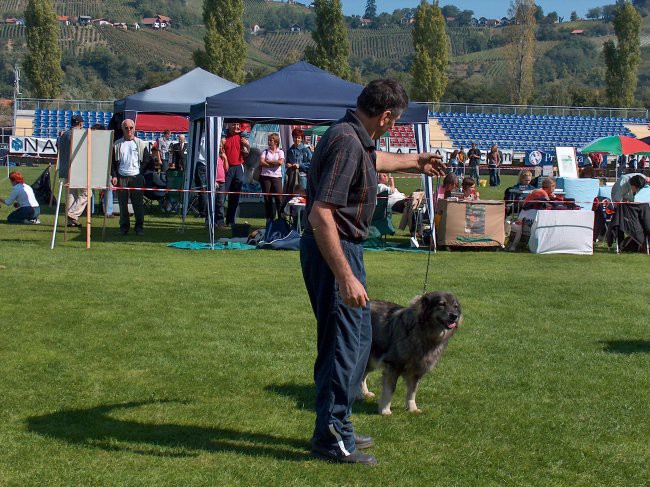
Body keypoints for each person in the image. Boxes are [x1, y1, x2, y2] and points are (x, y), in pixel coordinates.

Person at [300, 78, 445, 465]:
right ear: (384, 116)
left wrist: (416, 161)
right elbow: (320, 214)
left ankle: (340, 426)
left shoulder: (350, 136)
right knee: (344, 346)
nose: (392, 127)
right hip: (336, 251)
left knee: (359, 339)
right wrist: (345, 276)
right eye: (393, 122)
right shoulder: (348, 143)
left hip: (344, 249)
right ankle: (331, 437)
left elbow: (375, 161)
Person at [111, 119, 148, 236]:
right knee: (122, 205)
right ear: (123, 129)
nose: (129, 130)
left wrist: (140, 172)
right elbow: (112, 162)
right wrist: (114, 175)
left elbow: (147, 160)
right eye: (126, 128)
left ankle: (139, 227)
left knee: (138, 204)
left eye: (131, 127)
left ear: (134, 128)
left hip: (136, 177)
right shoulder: (117, 144)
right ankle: (124, 227)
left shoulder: (141, 143)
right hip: (122, 177)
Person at [56, 114, 87, 227]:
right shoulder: (78, 135)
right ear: (80, 123)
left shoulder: (63, 135)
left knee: (71, 194)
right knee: (86, 193)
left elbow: (58, 147)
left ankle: (71, 221)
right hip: (77, 168)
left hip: (65, 168)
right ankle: (72, 214)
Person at [223, 122, 250, 226]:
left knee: (234, 197)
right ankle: (218, 220)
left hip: (238, 167)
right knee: (222, 196)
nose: (236, 127)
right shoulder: (224, 137)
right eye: (233, 124)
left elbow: (247, 153)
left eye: (238, 125)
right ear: (228, 125)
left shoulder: (241, 137)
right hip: (227, 167)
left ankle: (230, 221)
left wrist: (247, 145)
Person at [283, 128, 312, 213]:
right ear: (292, 138)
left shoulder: (306, 150)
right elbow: (287, 162)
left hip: (302, 178)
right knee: (292, 199)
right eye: (295, 137)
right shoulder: (290, 150)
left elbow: (311, 164)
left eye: (299, 138)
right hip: (292, 178)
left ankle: (303, 220)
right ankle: (294, 220)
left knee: (302, 199)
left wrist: (300, 165)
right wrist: (288, 165)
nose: (297, 139)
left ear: (302, 138)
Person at [259, 133, 285, 222]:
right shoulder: (264, 151)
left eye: (271, 140)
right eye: (269, 140)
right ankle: (269, 219)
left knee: (279, 198)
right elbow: (261, 162)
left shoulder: (280, 152)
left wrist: (269, 162)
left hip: (277, 177)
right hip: (265, 177)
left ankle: (281, 219)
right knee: (267, 199)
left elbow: (280, 162)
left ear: (276, 142)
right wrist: (274, 163)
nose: (269, 142)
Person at [215, 139, 229, 227]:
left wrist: (225, 158)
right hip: (215, 181)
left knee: (220, 202)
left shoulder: (223, 156)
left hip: (222, 181)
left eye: (221, 146)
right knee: (213, 202)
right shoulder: (213, 157)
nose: (220, 147)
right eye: (218, 146)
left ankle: (220, 222)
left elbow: (226, 168)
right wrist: (214, 181)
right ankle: (210, 221)